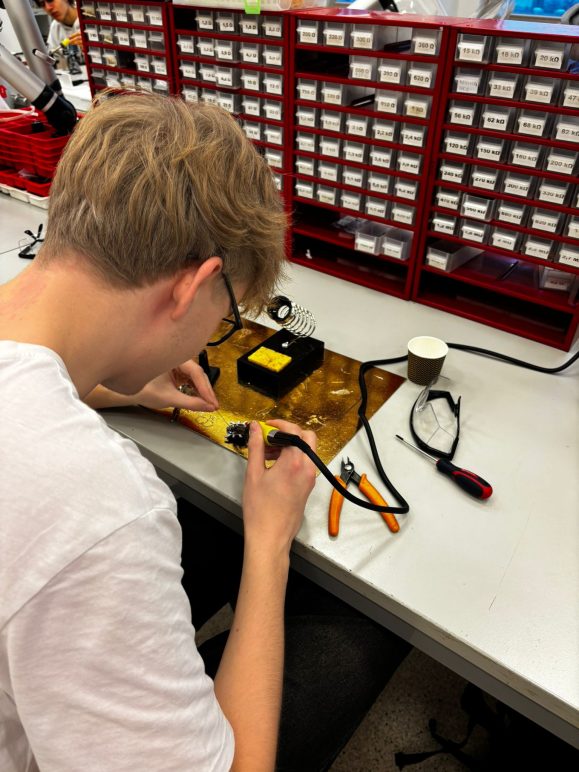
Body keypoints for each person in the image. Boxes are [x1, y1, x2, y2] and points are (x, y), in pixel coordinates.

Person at [0, 93, 409, 771]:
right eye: (226, 318)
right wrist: (270, 541)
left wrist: (119, 384)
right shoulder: (104, 506)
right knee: (362, 630)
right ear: (195, 287)